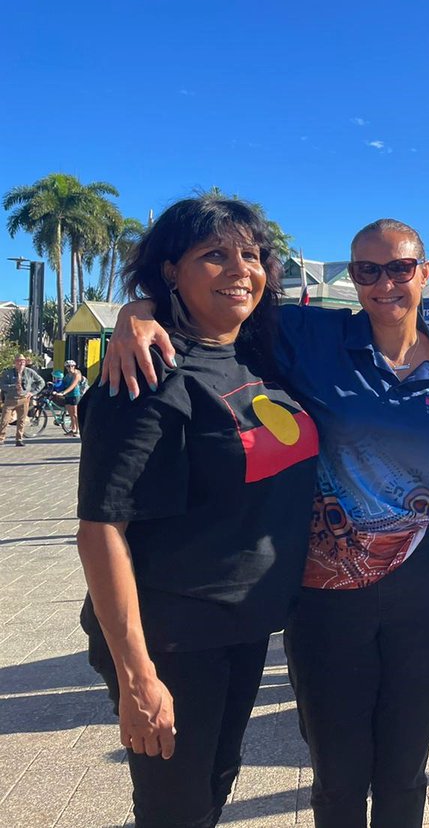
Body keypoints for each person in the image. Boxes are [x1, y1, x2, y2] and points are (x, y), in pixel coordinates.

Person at [102, 217, 429, 828]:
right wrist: (135, 310)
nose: (385, 283)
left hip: (428, 586)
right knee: (337, 769)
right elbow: (223, 299)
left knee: (407, 767)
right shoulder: (309, 334)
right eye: (367, 270)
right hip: (325, 592)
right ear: (353, 278)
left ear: (425, 272)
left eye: (400, 268)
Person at [76, 197, 320, 827]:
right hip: (171, 634)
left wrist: (138, 310)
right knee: (174, 810)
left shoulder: (256, 353)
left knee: (210, 788)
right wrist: (137, 677)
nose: (238, 269)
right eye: (213, 255)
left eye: (250, 254)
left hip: (240, 625)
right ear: (170, 272)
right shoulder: (144, 374)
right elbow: (101, 529)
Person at [1, 352, 45, 446]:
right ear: (15, 363)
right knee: (5, 419)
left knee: (21, 420)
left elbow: (41, 382)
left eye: (23, 362)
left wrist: (32, 392)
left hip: (24, 399)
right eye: (19, 361)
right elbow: (2, 385)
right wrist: (13, 386)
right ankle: (1, 438)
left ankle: (19, 439)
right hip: (11, 399)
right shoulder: (8, 373)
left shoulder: (29, 372)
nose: (21, 363)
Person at [57, 359, 85, 435]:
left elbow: (73, 385)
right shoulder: (67, 375)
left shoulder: (77, 374)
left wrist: (64, 392)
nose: (70, 368)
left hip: (75, 395)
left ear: (74, 366)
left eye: (71, 366)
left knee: (75, 413)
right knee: (70, 413)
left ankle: (78, 430)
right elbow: (62, 384)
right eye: (68, 366)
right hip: (68, 395)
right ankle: (73, 428)